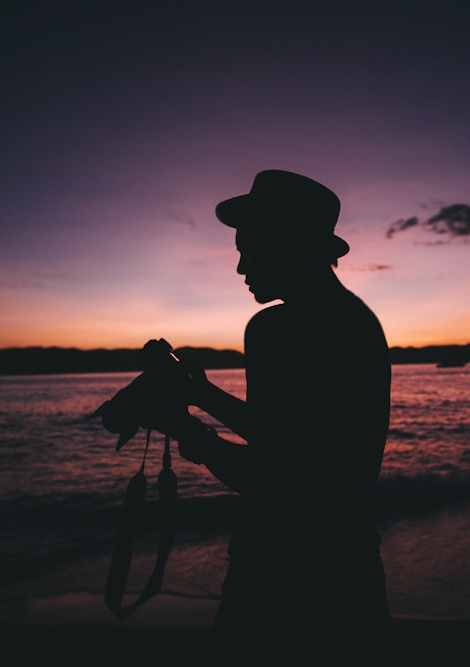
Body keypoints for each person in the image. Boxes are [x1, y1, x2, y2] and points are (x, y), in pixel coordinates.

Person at [160, 170, 391, 665]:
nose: (241, 266)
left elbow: (272, 476)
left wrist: (185, 429)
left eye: (250, 247)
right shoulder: (355, 319)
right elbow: (287, 435)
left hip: (279, 577)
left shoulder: (275, 328)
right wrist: (202, 394)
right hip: (348, 570)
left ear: (287, 242)